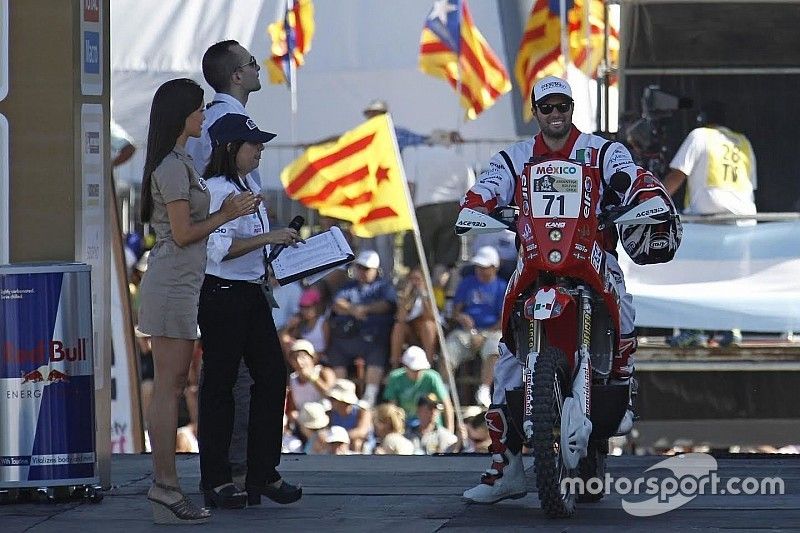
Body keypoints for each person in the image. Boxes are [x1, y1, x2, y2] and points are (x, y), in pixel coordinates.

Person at [460, 76, 679, 504]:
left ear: (572, 109)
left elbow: (630, 177)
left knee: (626, 309)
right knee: (506, 355)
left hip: (593, 253)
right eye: (547, 107)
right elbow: (488, 185)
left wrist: (645, 191)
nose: (555, 115)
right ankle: (506, 469)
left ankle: (622, 382)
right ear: (536, 112)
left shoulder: (603, 150)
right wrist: (478, 203)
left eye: (562, 107)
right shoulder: (514, 156)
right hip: (534, 261)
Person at [136, 78, 257, 525]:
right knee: (169, 387)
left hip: (181, 283)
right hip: (172, 283)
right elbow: (184, 232)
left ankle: (166, 487)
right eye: (199, 109)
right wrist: (228, 214)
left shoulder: (178, 160)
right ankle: (164, 486)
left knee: (173, 385)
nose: (204, 115)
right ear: (182, 114)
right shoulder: (171, 166)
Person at [197, 113, 303, 509]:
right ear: (230, 149)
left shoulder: (246, 184)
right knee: (220, 386)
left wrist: (277, 248)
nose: (260, 150)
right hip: (224, 294)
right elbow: (218, 250)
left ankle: (262, 472)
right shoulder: (218, 189)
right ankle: (217, 479)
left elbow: (245, 247)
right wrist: (269, 236)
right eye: (252, 144)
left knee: (273, 374)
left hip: (250, 291)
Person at [186, 39, 266, 487]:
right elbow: (215, 200)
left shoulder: (227, 118)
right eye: (253, 64)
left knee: (254, 375)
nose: (259, 70)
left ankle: (247, 468)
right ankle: (232, 470)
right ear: (237, 75)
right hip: (224, 272)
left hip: (245, 267)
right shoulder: (220, 122)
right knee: (233, 378)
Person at [664, 100, 757, 347]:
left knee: (691, 276)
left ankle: (693, 331)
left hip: (706, 223)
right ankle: (731, 331)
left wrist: (650, 201)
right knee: (730, 280)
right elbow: (750, 186)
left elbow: (677, 175)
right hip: (742, 222)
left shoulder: (700, 135)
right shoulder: (743, 142)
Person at [327, 250, 397, 407]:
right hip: (347, 335)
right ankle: (341, 393)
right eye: (359, 267)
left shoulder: (383, 286)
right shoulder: (349, 286)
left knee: (377, 350)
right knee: (336, 350)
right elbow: (337, 303)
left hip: (373, 334)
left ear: (375, 270)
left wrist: (365, 309)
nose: (362, 271)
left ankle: (370, 395)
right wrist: (354, 310)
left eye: (366, 268)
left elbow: (387, 305)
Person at [445, 246, 506, 408]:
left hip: (492, 331)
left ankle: (484, 390)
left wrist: (484, 335)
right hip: (467, 332)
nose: (480, 270)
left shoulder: (502, 287)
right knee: (448, 349)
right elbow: (455, 310)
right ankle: (444, 390)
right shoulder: (467, 283)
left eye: (484, 267)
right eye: (478, 266)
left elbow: (504, 318)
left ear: (494, 268)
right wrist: (461, 316)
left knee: (496, 348)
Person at [383, 345, 454, 433]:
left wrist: (450, 432)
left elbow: (447, 405)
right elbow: (392, 408)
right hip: (405, 426)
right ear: (405, 366)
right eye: (414, 370)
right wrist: (396, 431)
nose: (417, 373)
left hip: (431, 427)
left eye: (420, 370)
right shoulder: (395, 378)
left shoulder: (433, 377)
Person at [390, 266, 438, 368]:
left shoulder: (433, 293)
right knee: (398, 327)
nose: (415, 282)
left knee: (428, 325)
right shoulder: (405, 295)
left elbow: (430, 316)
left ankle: (429, 365)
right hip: (411, 330)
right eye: (412, 279)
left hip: (427, 329)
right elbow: (400, 318)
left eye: (418, 279)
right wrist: (406, 297)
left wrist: (423, 295)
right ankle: (394, 366)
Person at [285, 339, 336, 426]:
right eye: (294, 358)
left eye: (303, 357)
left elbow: (332, 395)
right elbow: (292, 407)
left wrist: (312, 378)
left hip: (326, 419)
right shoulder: (292, 380)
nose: (299, 361)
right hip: (304, 423)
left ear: (312, 357)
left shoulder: (324, 372)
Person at [327, 379, 372, 453]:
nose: (330, 401)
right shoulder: (330, 413)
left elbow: (362, 431)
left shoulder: (362, 411)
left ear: (344, 401)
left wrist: (340, 437)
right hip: (337, 445)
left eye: (333, 399)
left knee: (357, 443)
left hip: (362, 447)